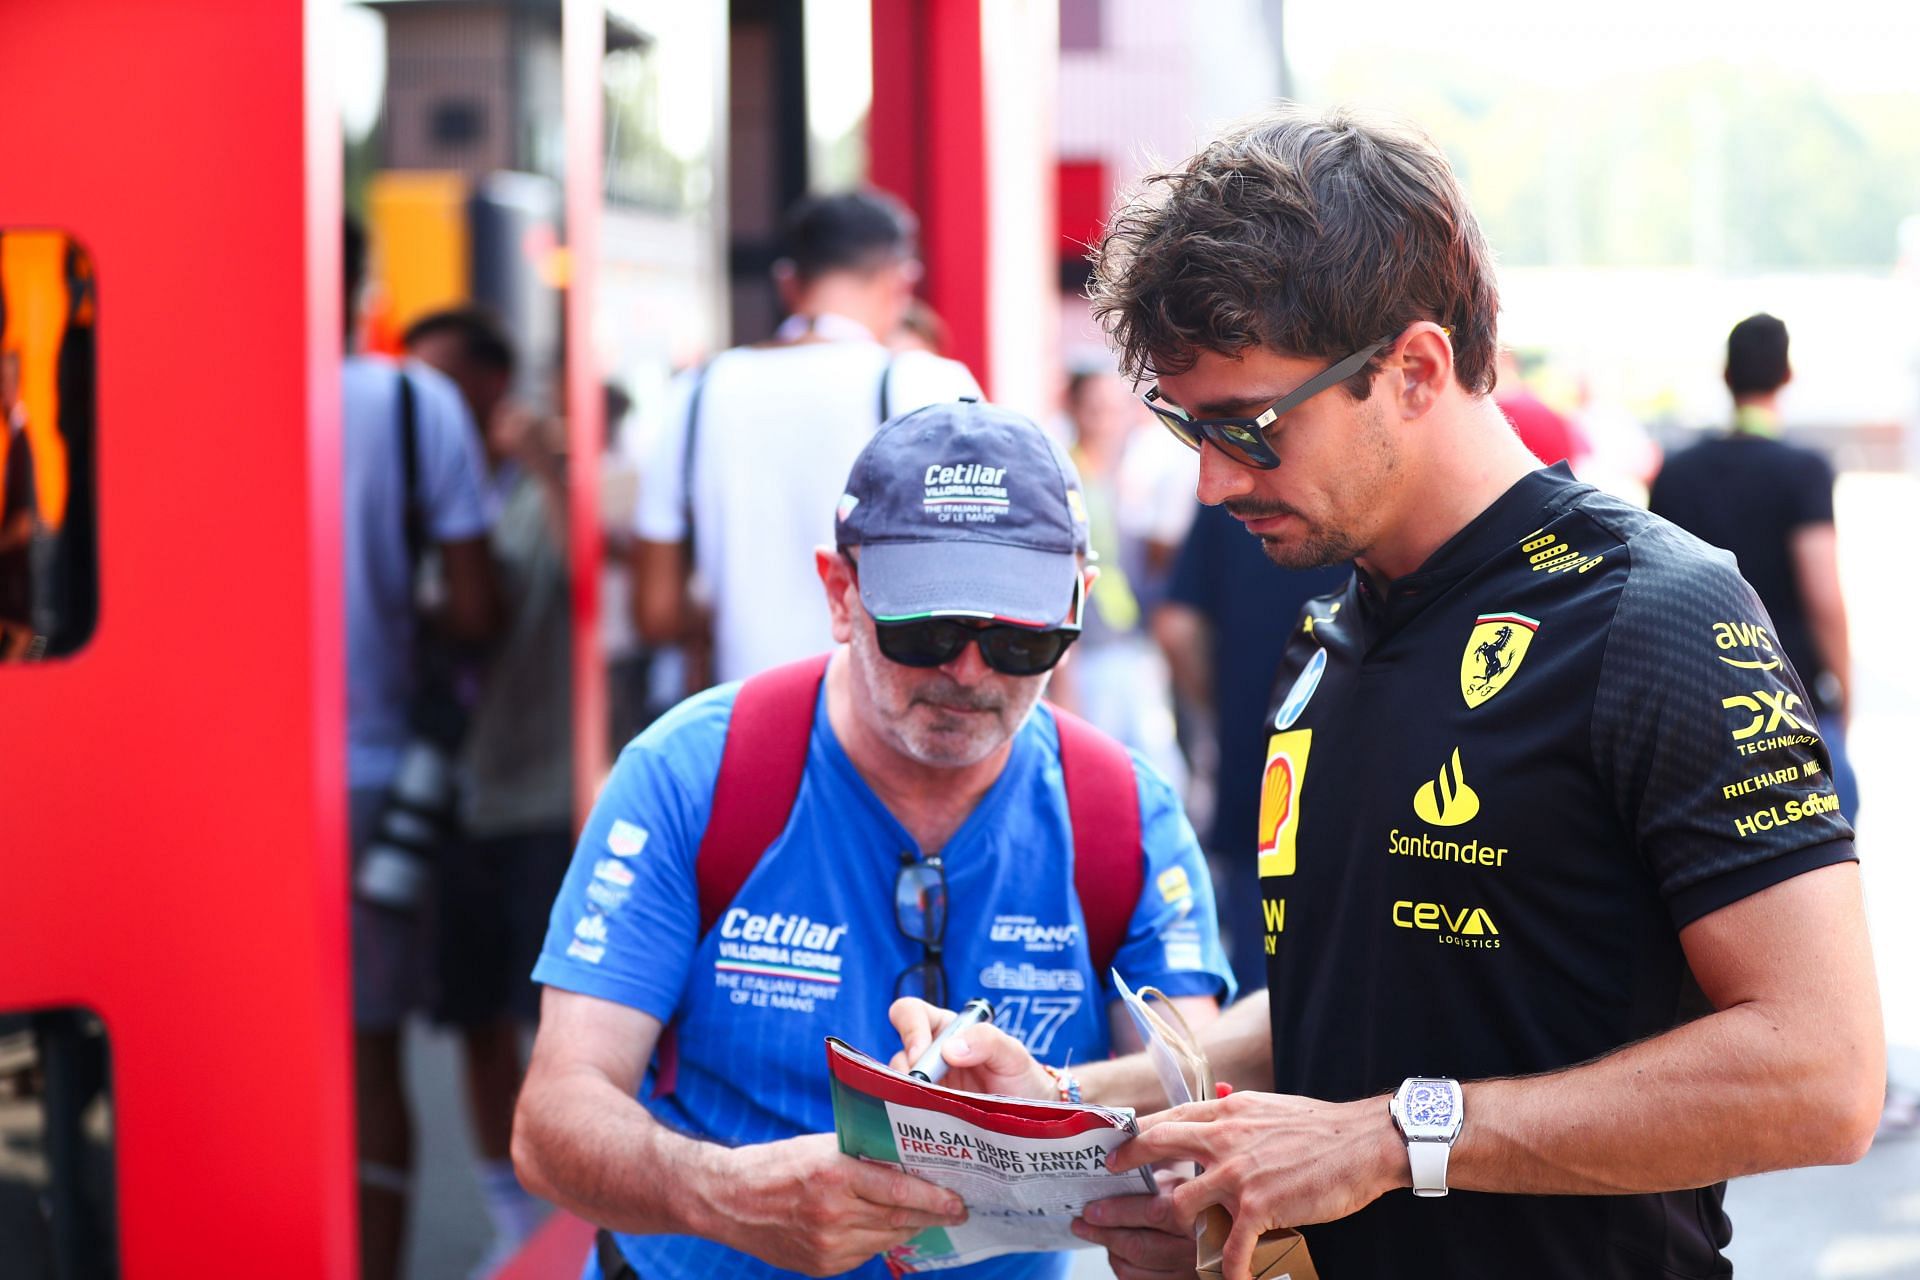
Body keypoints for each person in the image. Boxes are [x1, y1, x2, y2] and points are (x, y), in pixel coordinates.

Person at [894, 107, 1882, 1280]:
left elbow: (1823, 1073)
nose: (1209, 480)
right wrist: (1070, 1101)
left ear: (1415, 369)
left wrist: (1391, 1135)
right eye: (1182, 424)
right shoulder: (1330, 623)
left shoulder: (1654, 613)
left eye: (1246, 426)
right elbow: (1357, 993)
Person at [512, 400, 1234, 1280]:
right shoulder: (694, 774)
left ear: (1079, 600)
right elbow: (552, 1118)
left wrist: (1168, 1213)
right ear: (841, 594)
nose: (967, 671)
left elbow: (1190, 1097)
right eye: (925, 629)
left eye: (1019, 637)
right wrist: (728, 1196)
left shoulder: (1121, 810)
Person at [631, 190, 980, 690]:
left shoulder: (695, 394)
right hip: (887, 712)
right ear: (900, 282)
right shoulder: (931, 388)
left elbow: (655, 612)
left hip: (742, 714)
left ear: (787, 283)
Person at [342, 220, 499, 1280]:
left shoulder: (195, 384)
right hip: (377, 768)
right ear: (364, 282)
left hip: (213, 785)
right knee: (368, 1055)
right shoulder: (410, 402)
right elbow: (477, 600)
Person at [404, 305, 571, 1265]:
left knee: (554, 1015)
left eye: (443, 379)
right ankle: (514, 1223)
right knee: (475, 1017)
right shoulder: (425, 482)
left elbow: (595, 580)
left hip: (544, 788)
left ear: (492, 384)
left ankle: (557, 1214)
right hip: (459, 790)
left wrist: (550, 469)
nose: (426, 400)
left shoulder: (532, 482)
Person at [1650, 313, 1859, 823]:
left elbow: (1651, 586)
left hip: (1692, 697)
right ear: (1786, 376)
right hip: (1789, 699)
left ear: (1727, 377)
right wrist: (1845, 691)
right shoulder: (1803, 471)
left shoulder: (1676, 471)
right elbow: (1822, 594)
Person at [1152, 503, 1348, 994]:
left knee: (1263, 991)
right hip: (1361, 783)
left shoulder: (1232, 494)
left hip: (1261, 772)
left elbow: (1177, 627)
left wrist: (1226, 711)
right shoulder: (1370, 500)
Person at [1049, 366, 1191, 787]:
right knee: (1098, 778)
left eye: (1114, 409)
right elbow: (1062, 583)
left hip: (1136, 647)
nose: (1106, 421)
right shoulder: (1065, 482)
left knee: (1160, 776)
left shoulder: (1140, 474)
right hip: (1089, 656)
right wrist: (1063, 679)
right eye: (1095, 408)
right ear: (1073, 410)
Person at [0, 350, 38, 660]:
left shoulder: (27, 437)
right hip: (14, 568)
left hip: (22, 570)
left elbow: (26, 521)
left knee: (25, 634)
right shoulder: (12, 435)